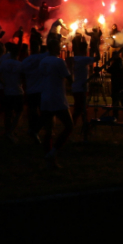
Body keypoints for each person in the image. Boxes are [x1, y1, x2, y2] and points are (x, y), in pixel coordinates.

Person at [38, 39, 74, 167]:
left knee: (48, 131)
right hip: (57, 98)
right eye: (59, 46)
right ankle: (53, 152)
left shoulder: (43, 61)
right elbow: (69, 78)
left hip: (45, 97)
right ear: (54, 48)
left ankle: (49, 158)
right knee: (69, 126)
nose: (60, 49)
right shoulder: (59, 62)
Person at [0, 43, 25, 143]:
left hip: (7, 91)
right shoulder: (20, 64)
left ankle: (8, 131)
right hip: (17, 91)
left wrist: (3, 83)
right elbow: (23, 77)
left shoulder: (4, 63)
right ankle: (10, 131)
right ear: (18, 54)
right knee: (18, 112)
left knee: (8, 113)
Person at [20, 46, 48, 143]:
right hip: (40, 89)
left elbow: (22, 74)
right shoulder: (42, 57)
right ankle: (36, 130)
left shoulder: (25, 61)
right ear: (38, 48)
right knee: (45, 112)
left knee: (32, 111)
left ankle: (32, 129)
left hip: (30, 89)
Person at [71, 48, 96, 140]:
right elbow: (97, 58)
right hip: (82, 87)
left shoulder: (75, 59)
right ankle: (73, 126)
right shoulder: (83, 59)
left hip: (77, 87)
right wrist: (96, 47)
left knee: (81, 108)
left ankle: (85, 126)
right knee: (80, 109)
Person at [107, 52, 123, 121]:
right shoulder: (122, 62)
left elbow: (109, 70)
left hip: (117, 83)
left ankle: (115, 114)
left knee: (115, 100)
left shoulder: (116, 63)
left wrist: (109, 64)